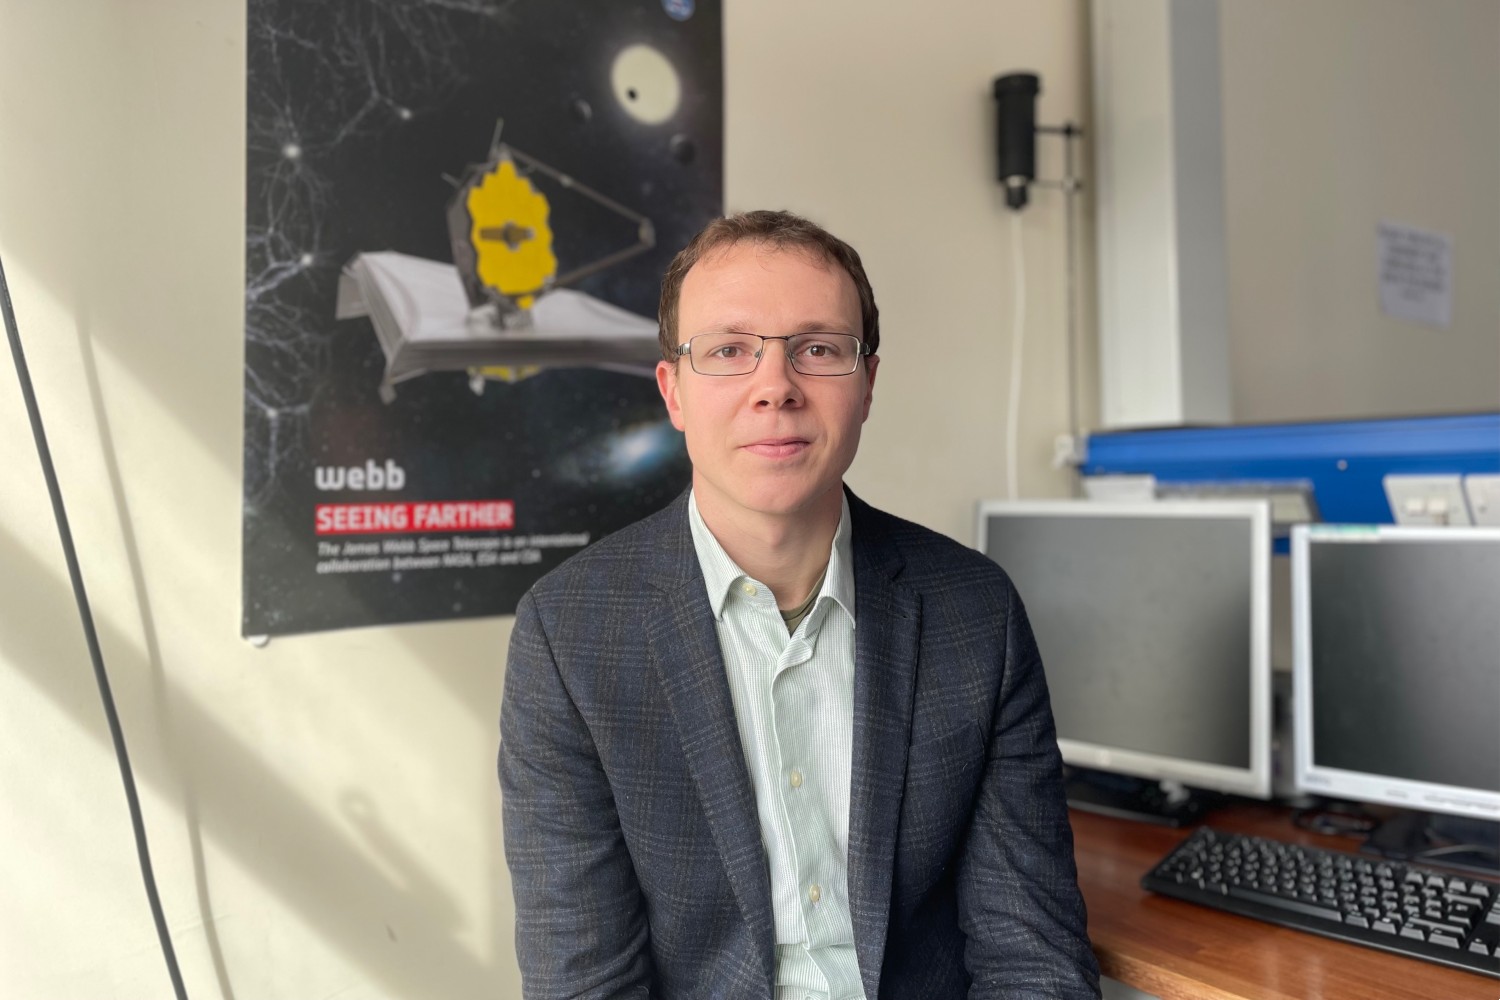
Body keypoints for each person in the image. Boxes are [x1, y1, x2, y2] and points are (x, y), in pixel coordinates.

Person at [499, 210, 1100, 1000]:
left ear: (868, 385)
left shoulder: (975, 612)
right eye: (728, 351)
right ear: (673, 392)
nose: (775, 388)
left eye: (818, 349)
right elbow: (584, 983)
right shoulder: (569, 634)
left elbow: (1033, 958)